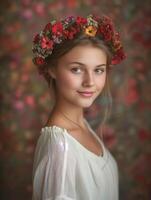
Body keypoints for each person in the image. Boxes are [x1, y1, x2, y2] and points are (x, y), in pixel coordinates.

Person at [32, 14, 125, 200]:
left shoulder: (81, 124)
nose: (90, 82)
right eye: (77, 69)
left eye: (98, 70)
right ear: (51, 69)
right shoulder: (60, 146)